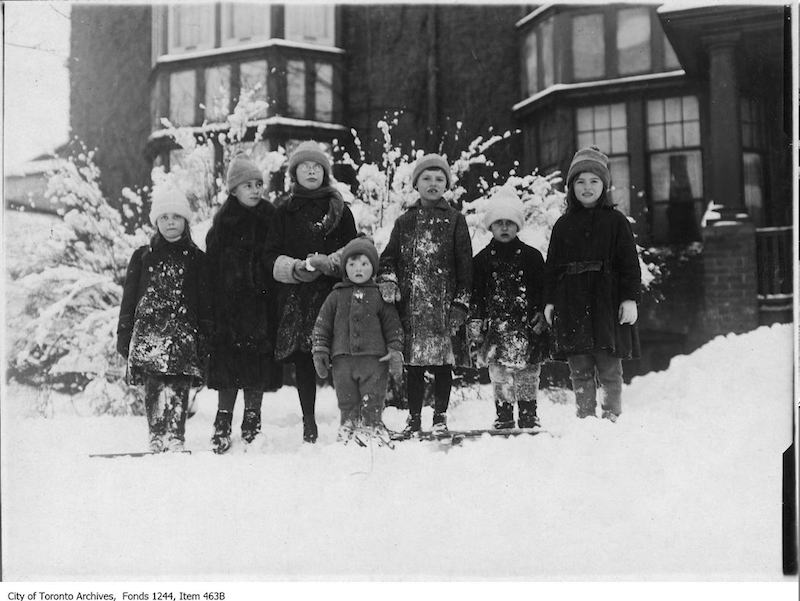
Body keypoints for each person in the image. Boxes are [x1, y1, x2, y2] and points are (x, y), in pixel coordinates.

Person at [264, 141, 357, 443]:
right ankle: (309, 420)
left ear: (326, 173)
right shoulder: (283, 211)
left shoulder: (341, 210)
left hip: (334, 291)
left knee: (341, 354)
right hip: (299, 296)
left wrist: (330, 263)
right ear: (295, 173)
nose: (312, 171)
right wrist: (293, 268)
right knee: (305, 357)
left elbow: (356, 250)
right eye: (305, 167)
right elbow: (270, 254)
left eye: (318, 167)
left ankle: (351, 415)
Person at [377, 153, 473, 437]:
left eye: (439, 179)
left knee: (444, 363)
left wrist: (461, 304)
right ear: (416, 184)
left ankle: (440, 417)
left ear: (447, 185)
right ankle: (414, 418)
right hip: (412, 306)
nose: (433, 184)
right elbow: (388, 259)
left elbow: (466, 268)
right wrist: (389, 282)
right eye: (427, 178)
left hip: (444, 306)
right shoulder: (404, 222)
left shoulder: (456, 221)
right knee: (414, 366)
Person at [543, 146, 641, 422]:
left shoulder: (616, 222)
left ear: (604, 186)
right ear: (571, 187)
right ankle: (585, 418)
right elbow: (552, 267)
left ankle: (612, 416)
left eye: (594, 181)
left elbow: (630, 265)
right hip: (572, 304)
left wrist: (630, 298)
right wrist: (549, 301)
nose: (587, 187)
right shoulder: (563, 225)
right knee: (580, 368)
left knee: (610, 367)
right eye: (580, 181)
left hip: (606, 304)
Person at [116, 183, 212, 452]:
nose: (171, 222)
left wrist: (206, 335)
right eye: (165, 217)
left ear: (185, 221)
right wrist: (124, 333)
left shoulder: (197, 259)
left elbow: (205, 303)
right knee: (154, 386)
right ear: (156, 221)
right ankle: (156, 435)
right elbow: (129, 299)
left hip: (183, 335)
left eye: (176, 217)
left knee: (179, 385)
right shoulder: (142, 257)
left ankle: (176, 436)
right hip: (149, 334)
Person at [205, 153, 283, 454]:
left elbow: (275, 258)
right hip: (228, 310)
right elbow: (211, 269)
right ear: (233, 190)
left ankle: (253, 418)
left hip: (261, 308)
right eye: (247, 184)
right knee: (228, 366)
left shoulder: (270, 220)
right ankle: (222, 420)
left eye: (258, 184)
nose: (255, 189)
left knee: (257, 365)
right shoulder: (222, 225)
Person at [469, 186, 548, 429]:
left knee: (527, 372)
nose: (504, 227)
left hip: (527, 327)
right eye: (499, 222)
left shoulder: (533, 257)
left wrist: (542, 315)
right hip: (496, 328)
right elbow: (477, 294)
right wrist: (476, 320)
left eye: (510, 222)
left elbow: (544, 289)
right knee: (500, 373)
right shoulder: (481, 261)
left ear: (518, 226)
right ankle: (503, 415)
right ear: (490, 226)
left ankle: (528, 413)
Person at [312, 236, 404, 443]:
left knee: (373, 396)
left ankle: (371, 424)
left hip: (374, 360)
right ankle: (348, 423)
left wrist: (395, 348)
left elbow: (393, 325)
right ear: (345, 268)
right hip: (343, 360)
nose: (358, 269)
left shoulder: (380, 295)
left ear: (373, 266)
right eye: (352, 265)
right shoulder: (335, 296)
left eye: (364, 264)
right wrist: (320, 350)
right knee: (346, 397)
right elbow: (322, 325)